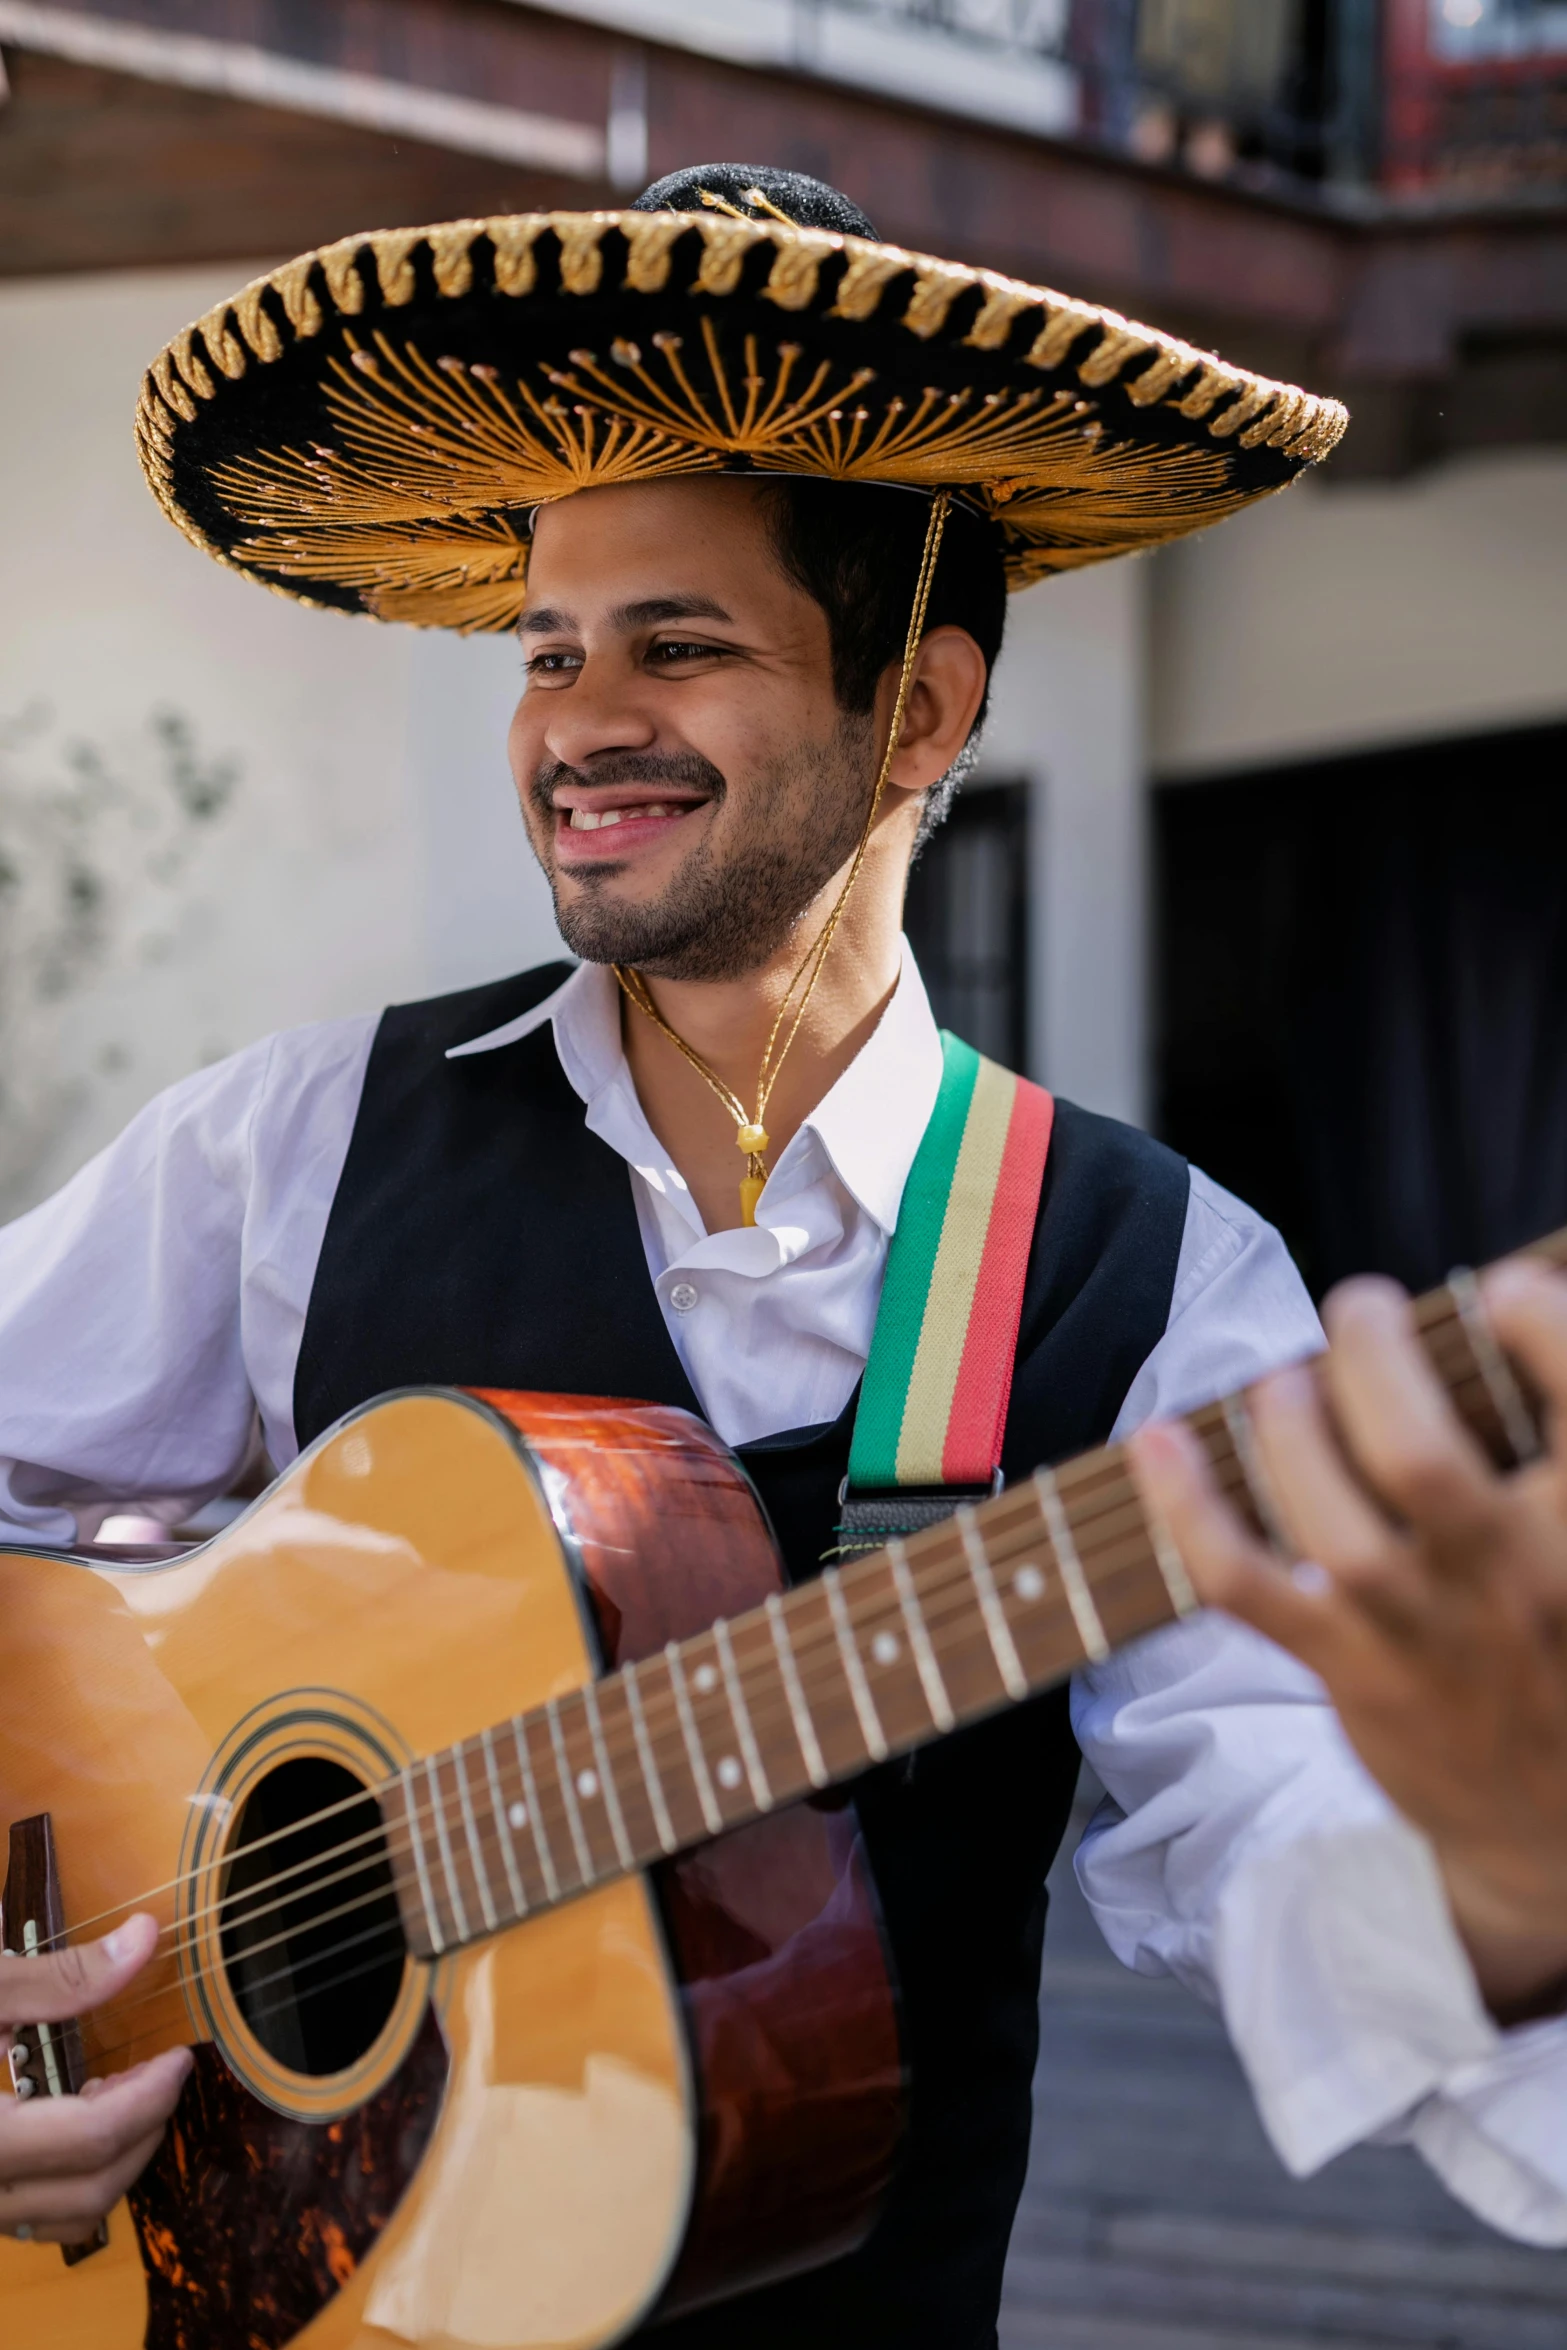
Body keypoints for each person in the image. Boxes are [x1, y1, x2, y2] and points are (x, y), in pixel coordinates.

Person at [0, 164, 1561, 2336]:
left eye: (680, 643)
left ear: (919, 712)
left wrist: (1505, 1867)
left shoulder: (1156, 1277)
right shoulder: (298, 1139)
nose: (574, 723)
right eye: (550, 649)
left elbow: (1278, 1829)